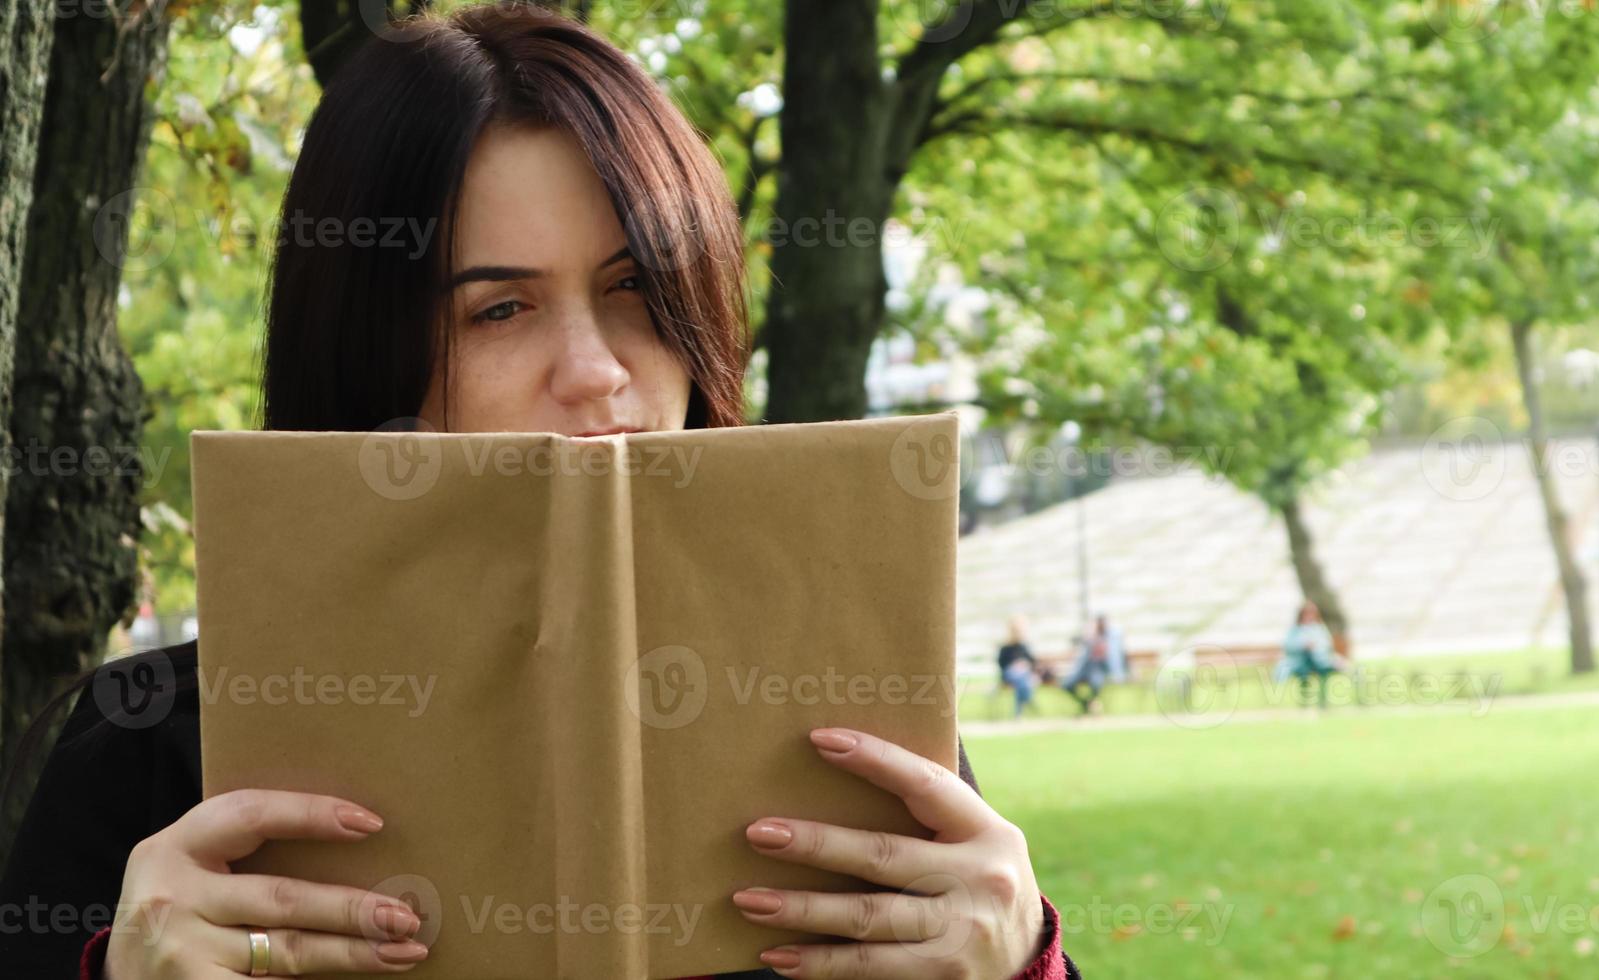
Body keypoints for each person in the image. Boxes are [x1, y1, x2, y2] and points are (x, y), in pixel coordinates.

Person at [0, 7, 1078, 979]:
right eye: (499, 310)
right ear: (366, 350)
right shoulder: (144, 756)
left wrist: (1019, 960)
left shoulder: (853, 724)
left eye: (639, 290)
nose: (598, 371)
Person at [1274, 600, 1344, 708]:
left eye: (1312, 614)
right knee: (1304, 673)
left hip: (1319, 661)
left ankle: (1322, 702)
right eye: (1307, 613)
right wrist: (1303, 646)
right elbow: (1288, 646)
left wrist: (1319, 648)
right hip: (1301, 661)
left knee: (1324, 670)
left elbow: (1326, 644)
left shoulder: (1319, 628)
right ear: (1301, 615)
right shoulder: (1295, 630)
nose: (1310, 616)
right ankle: (1305, 701)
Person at [1060, 613, 1127, 715]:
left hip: (1098, 669)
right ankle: (1086, 704)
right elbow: (1079, 653)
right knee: (1066, 685)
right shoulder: (1090, 637)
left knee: (1096, 684)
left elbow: (1115, 659)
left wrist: (1118, 675)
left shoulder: (1111, 638)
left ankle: (1092, 707)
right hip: (1084, 669)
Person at [996, 616, 1042, 718]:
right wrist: (1013, 666)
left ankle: (1018, 713)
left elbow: (1032, 661)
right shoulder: (1005, 647)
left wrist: (1024, 664)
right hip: (1009, 674)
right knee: (1022, 680)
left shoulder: (1024, 646)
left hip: (1023, 675)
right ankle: (1027, 700)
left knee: (1022, 681)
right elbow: (1001, 663)